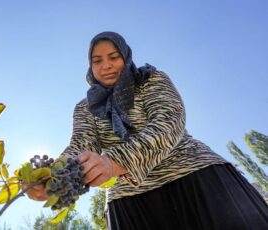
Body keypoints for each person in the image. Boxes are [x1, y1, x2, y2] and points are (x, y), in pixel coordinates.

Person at [27, 31, 268, 229]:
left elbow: (168, 122)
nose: (106, 65)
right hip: (131, 200)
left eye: (113, 57)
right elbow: (81, 144)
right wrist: (51, 177)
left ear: (126, 56)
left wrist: (114, 162)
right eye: (97, 60)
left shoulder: (151, 80)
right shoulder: (85, 108)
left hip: (194, 175)